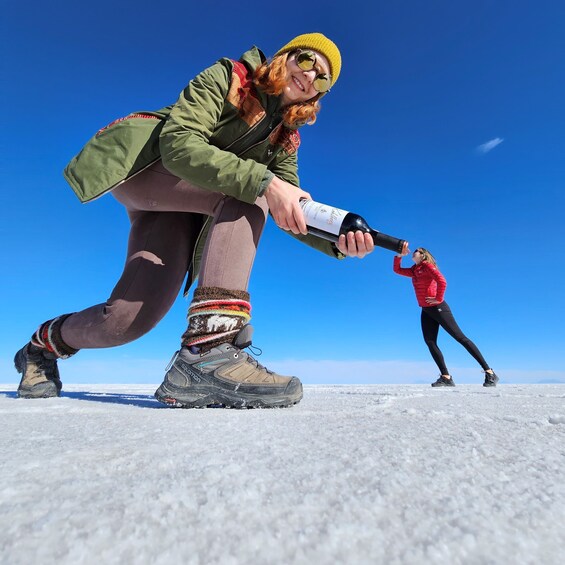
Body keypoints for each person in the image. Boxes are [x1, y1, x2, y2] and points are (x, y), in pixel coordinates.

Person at [15, 33, 379, 408]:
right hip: (150, 167)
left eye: (322, 79)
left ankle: (41, 347)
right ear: (285, 55)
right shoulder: (230, 77)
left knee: (125, 321)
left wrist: (338, 238)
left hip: (190, 206)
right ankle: (209, 349)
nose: (309, 77)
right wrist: (266, 183)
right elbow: (179, 144)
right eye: (307, 61)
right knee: (252, 189)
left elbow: (291, 207)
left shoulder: (285, 139)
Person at [393, 247, 499, 387]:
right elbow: (397, 270)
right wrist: (399, 256)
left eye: (417, 251)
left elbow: (442, 281)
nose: (414, 252)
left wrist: (438, 298)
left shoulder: (428, 266)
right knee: (430, 342)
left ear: (423, 255)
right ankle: (446, 377)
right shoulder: (415, 270)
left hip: (439, 308)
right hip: (426, 310)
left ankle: (490, 372)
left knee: (460, 338)